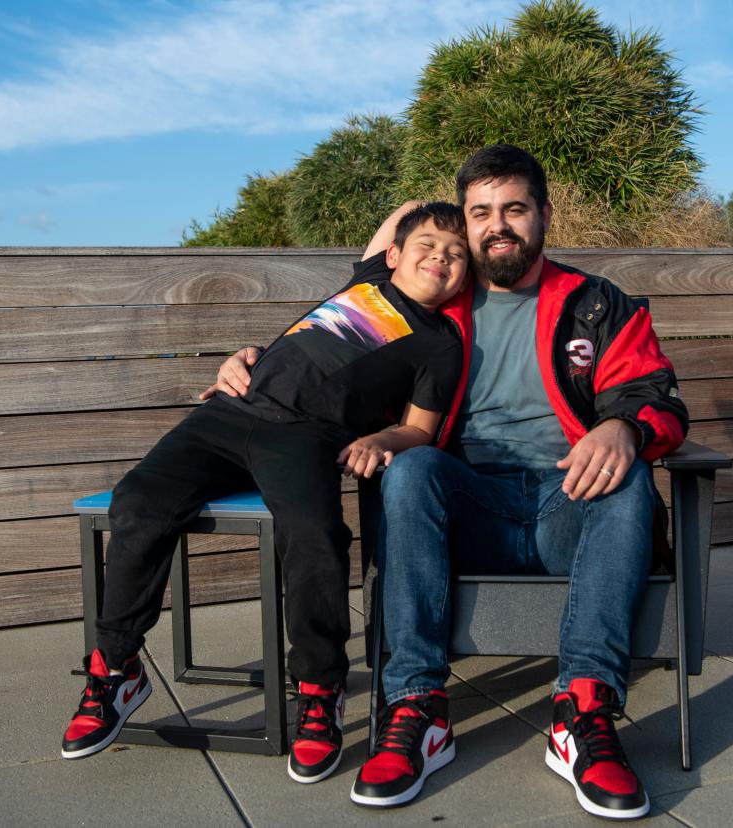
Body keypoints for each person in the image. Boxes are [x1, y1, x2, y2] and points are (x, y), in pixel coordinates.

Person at [212, 145, 688, 820]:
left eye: (514, 209)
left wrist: (629, 429)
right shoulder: (430, 306)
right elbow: (330, 340)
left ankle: (582, 713)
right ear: (463, 224)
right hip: (468, 510)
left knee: (629, 476)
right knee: (413, 469)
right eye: (480, 213)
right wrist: (254, 361)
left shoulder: (597, 305)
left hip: (566, 505)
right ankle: (417, 711)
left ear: (544, 216)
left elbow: (656, 395)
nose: (498, 226)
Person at [60, 202, 469, 788]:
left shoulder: (440, 342)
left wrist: (380, 436)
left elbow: (421, 429)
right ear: (395, 255)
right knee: (139, 503)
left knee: (315, 535)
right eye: (428, 245)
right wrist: (442, 212)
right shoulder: (367, 281)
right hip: (229, 413)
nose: (441, 257)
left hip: (306, 439)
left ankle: (319, 690)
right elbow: (405, 212)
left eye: (457, 254)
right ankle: (117, 668)